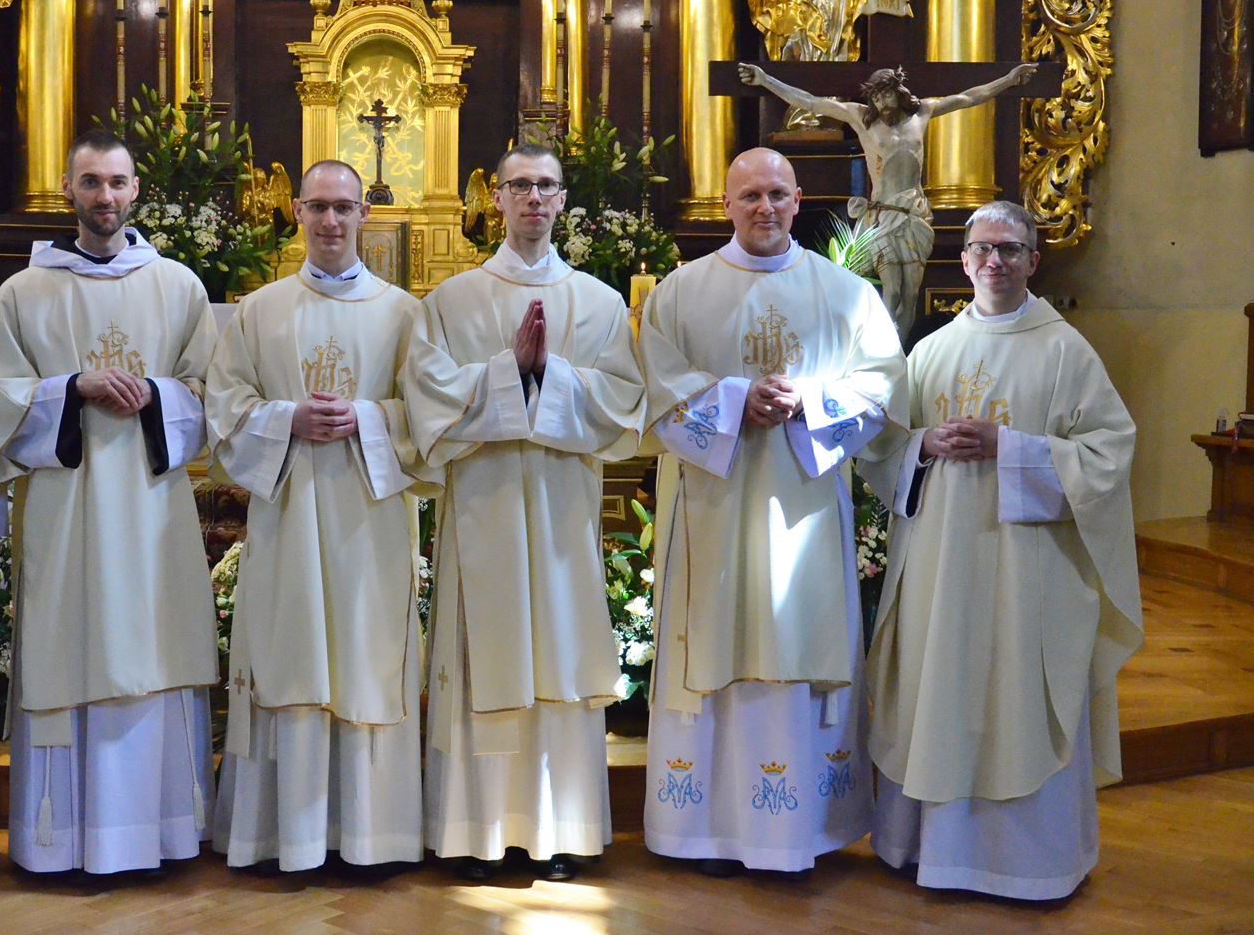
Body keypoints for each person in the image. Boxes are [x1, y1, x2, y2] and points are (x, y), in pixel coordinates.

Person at [858, 201, 1143, 900]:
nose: (995, 261)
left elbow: (1108, 453)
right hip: (937, 567)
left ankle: (1027, 865)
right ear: (962, 261)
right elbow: (882, 449)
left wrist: (1009, 449)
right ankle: (924, 849)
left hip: (1026, 572)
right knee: (939, 682)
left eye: (1011, 249)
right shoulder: (929, 352)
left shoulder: (1063, 350)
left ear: (1031, 261)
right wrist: (924, 444)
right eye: (983, 248)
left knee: (1013, 690)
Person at [636, 147, 906, 877]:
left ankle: (799, 833)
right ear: (726, 203)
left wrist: (809, 403)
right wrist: (731, 399)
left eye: (777, 195)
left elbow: (882, 385)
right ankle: (707, 831)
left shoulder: (844, 294)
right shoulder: (679, 294)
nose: (764, 207)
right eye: (750, 194)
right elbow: (652, 392)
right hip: (711, 517)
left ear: (797, 202)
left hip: (804, 515)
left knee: (795, 641)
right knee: (712, 642)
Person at [0, 129, 219, 874]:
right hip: (64, 510)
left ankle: (163, 833)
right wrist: (67, 389)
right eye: (89, 183)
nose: (104, 197)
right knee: (66, 644)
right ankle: (60, 844)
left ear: (135, 191)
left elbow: (216, 394)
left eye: (116, 183)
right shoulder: (24, 291)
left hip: (152, 510)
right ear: (68, 191)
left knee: (155, 645)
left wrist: (158, 395)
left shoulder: (177, 286)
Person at [401, 143, 646, 881]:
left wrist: (549, 376)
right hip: (482, 507)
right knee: (481, 659)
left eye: (545, 186)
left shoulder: (599, 304)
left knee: (559, 655)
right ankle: (475, 833)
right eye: (519, 187)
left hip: (561, 515)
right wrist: (508, 374)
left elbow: (622, 406)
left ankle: (560, 830)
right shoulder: (449, 302)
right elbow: (426, 399)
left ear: (562, 200)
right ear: (495, 201)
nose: (533, 198)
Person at [207, 160, 431, 873]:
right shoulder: (259, 310)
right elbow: (224, 410)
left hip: (370, 519)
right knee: (290, 650)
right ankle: (286, 837)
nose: (330, 222)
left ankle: (374, 837)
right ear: (296, 213)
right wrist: (287, 418)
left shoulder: (402, 312)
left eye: (343, 208)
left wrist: (365, 418)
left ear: (365, 214)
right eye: (317, 208)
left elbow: (430, 418)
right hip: (289, 518)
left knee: (365, 658)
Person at [738, 61, 1037, 340]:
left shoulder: (923, 114)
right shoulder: (860, 117)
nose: (881, 105)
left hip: (913, 217)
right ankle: (881, 351)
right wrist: (766, 80)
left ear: (898, 92)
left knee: (910, 295)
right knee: (891, 292)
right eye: (876, 99)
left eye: (885, 97)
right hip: (881, 219)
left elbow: (968, 97)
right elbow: (810, 102)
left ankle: (900, 356)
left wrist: (1008, 80)